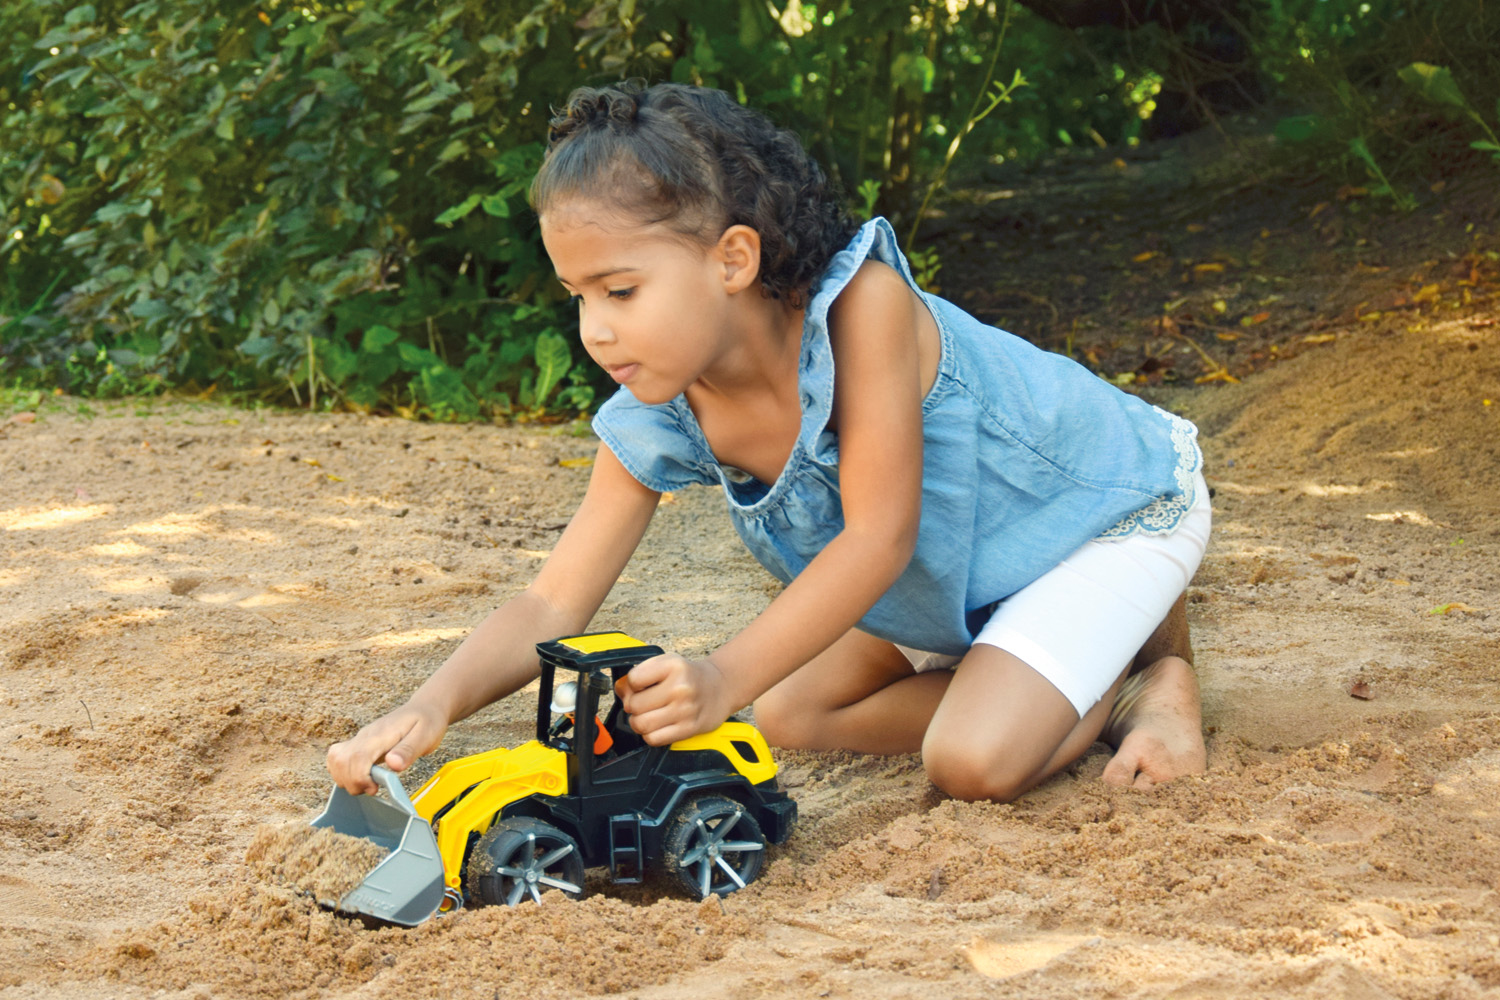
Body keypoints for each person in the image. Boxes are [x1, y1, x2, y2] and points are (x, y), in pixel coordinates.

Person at [327, 81, 1211, 803]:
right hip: (964, 575)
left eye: (621, 291)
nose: (594, 329)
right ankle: (1054, 670)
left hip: (1103, 519)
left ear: (733, 259)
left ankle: (1137, 678)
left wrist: (719, 676)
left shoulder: (863, 308)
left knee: (970, 761)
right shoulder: (662, 404)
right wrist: (429, 705)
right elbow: (554, 599)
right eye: (578, 297)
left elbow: (878, 539)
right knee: (788, 713)